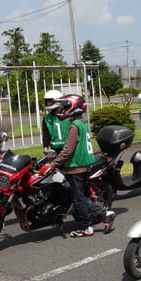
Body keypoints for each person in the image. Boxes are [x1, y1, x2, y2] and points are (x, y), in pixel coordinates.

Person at [43, 95, 115, 237]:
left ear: (72, 108)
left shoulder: (73, 126)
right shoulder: (82, 123)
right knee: (79, 197)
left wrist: (52, 164)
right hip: (83, 165)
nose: (62, 110)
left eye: (65, 107)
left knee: (78, 198)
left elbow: (67, 150)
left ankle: (93, 222)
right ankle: (94, 220)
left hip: (75, 167)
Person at [41, 89, 66, 154]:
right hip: (54, 150)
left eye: (50, 101)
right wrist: (45, 152)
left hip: (68, 149)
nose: (48, 104)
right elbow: (46, 136)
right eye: (47, 102)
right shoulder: (47, 118)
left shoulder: (68, 115)